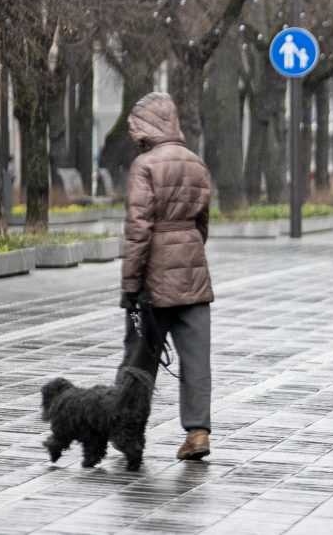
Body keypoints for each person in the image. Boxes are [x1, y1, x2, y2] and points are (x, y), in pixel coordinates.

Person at [119, 92, 215, 462]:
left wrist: (130, 285)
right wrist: (187, 248)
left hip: (155, 280)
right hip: (194, 275)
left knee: (139, 358)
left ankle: (126, 429)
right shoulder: (196, 163)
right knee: (196, 359)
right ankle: (198, 433)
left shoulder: (144, 166)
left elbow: (138, 231)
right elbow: (203, 224)